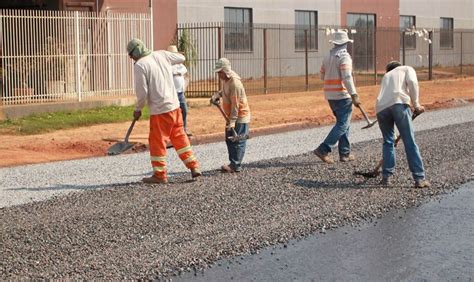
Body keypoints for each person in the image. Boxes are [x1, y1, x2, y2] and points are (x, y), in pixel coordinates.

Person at [127, 38, 201, 184]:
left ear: (135, 52)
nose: (131, 58)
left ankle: (160, 175)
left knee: (157, 141)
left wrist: (138, 109)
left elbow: (142, 92)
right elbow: (181, 57)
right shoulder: (161, 54)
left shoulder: (140, 65)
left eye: (131, 55)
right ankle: (194, 166)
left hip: (160, 111)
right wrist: (170, 56)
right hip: (175, 106)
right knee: (180, 137)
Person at [376, 61, 430, 188]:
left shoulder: (386, 76)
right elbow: (412, 83)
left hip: (380, 109)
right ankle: (419, 178)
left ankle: (386, 177)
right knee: (409, 141)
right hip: (399, 104)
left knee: (388, 142)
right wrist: (416, 105)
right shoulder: (407, 68)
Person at [314, 30, 361, 164]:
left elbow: (322, 76)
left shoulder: (328, 56)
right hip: (342, 95)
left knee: (344, 123)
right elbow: (346, 76)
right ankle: (323, 149)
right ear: (346, 43)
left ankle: (344, 154)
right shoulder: (344, 56)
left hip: (330, 95)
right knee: (342, 124)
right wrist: (354, 94)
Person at [210, 58, 250, 173]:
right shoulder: (226, 81)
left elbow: (235, 106)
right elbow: (225, 91)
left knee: (238, 141)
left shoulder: (235, 83)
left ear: (225, 71)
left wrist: (232, 122)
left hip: (240, 116)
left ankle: (235, 165)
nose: (218, 74)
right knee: (229, 139)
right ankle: (232, 163)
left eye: (220, 72)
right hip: (231, 116)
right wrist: (218, 94)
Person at [167, 45, 192, 136]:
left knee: (184, 110)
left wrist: (184, 86)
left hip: (180, 92)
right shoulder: (167, 66)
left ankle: (184, 128)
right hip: (171, 93)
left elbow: (186, 75)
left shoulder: (181, 66)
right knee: (172, 112)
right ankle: (171, 131)